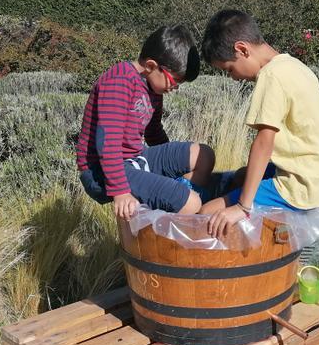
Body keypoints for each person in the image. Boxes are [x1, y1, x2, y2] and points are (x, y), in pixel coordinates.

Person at [198, 9, 319, 237]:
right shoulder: (294, 66)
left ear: (242, 49)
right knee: (242, 176)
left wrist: (242, 207)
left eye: (229, 69)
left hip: (300, 186)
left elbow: (264, 144)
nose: (233, 77)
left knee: (206, 213)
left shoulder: (271, 76)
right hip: (317, 177)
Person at [76, 25, 215, 221]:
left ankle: (173, 199)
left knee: (204, 155)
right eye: (174, 82)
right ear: (151, 66)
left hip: (136, 159)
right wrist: (120, 191)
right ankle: (164, 241)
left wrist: (170, 168)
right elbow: (107, 143)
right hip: (101, 170)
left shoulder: (152, 86)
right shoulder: (119, 80)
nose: (174, 89)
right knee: (192, 204)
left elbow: (154, 132)